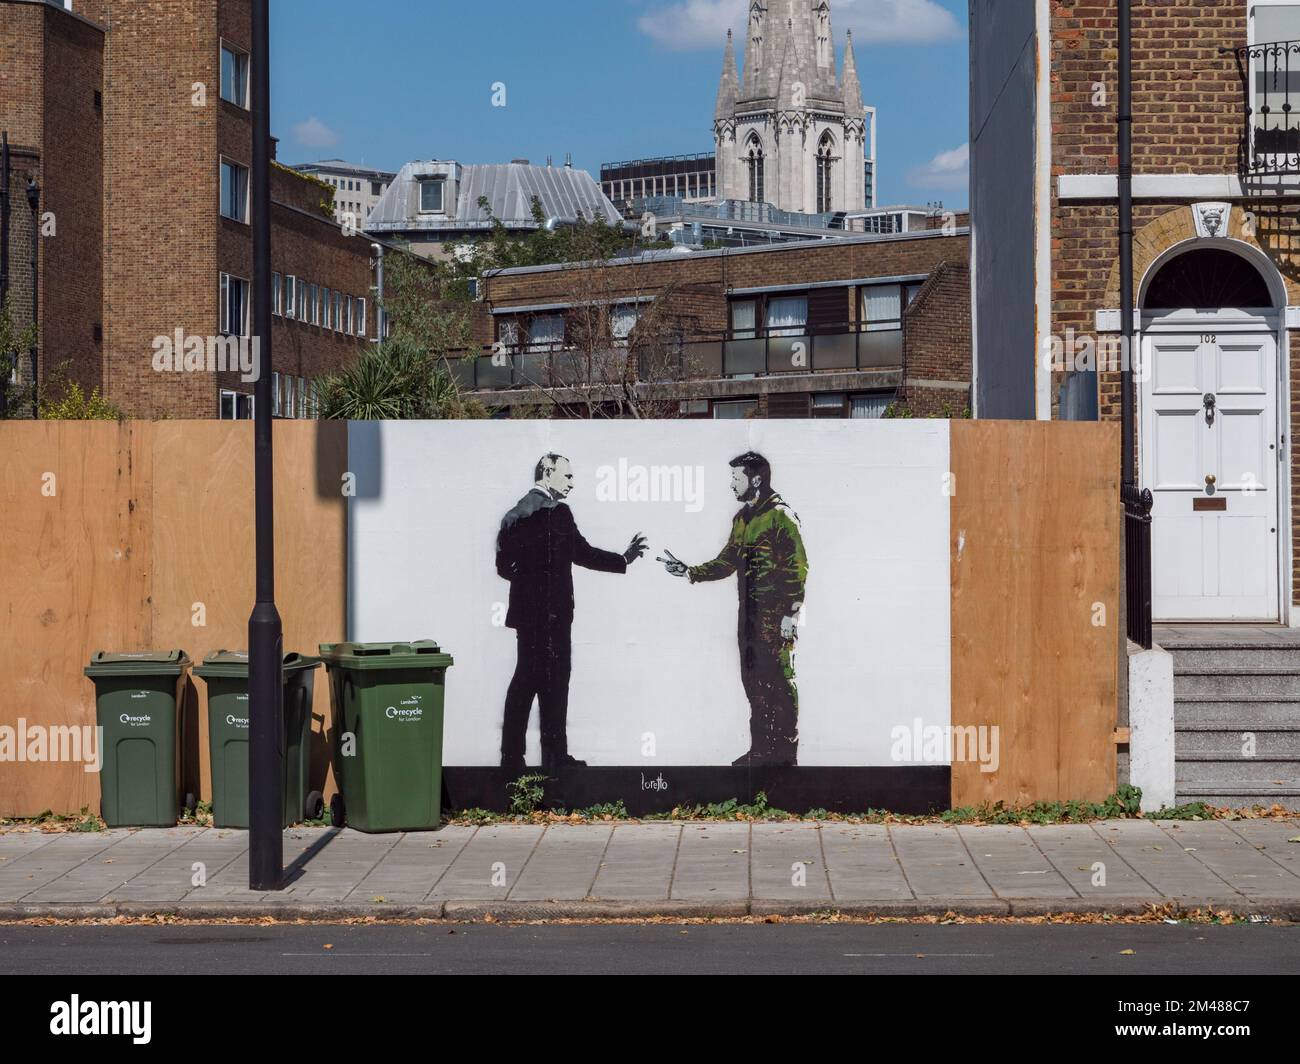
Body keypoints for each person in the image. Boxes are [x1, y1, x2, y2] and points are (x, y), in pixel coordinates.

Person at [496, 454, 647, 772]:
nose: (572, 482)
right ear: (547, 473)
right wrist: (623, 559)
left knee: (526, 681)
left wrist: (528, 579)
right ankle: (554, 757)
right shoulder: (558, 513)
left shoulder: (514, 515)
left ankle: (513, 758)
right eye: (566, 476)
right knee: (552, 683)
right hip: (555, 615)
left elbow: (503, 566)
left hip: (529, 616)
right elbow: (582, 553)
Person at [659, 452, 807, 766]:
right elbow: (727, 561)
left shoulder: (782, 516)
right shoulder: (741, 519)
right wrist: (690, 571)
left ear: (755, 479)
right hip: (749, 618)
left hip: (776, 618)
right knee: (754, 682)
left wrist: (790, 614)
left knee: (781, 681)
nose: (731, 484)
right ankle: (761, 751)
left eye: (736, 477)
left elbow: (798, 568)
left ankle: (786, 756)